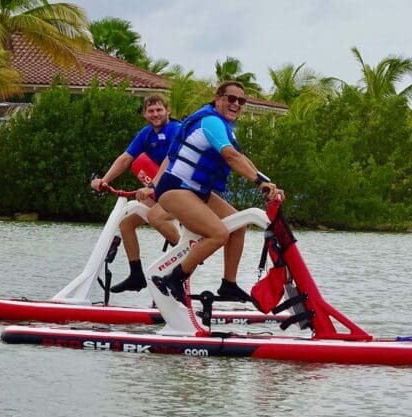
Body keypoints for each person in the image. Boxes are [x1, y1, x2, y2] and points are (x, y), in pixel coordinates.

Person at [151, 81, 284, 305]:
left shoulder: (223, 126)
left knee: (238, 225)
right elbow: (231, 157)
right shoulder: (211, 121)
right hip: (175, 187)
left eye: (241, 101)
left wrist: (268, 183)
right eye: (231, 99)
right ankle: (172, 279)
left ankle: (228, 285)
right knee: (219, 234)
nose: (236, 104)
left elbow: (242, 159)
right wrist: (259, 182)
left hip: (197, 191)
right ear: (218, 98)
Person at [91, 94, 181, 293]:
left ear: (168, 111)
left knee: (153, 215)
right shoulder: (145, 133)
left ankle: (186, 252)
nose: (155, 114)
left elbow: (170, 159)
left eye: (159, 110)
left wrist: (152, 186)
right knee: (126, 222)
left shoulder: (176, 129)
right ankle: (136, 275)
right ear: (144, 114)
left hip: (181, 190)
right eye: (151, 111)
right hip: (160, 191)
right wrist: (105, 180)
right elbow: (125, 159)